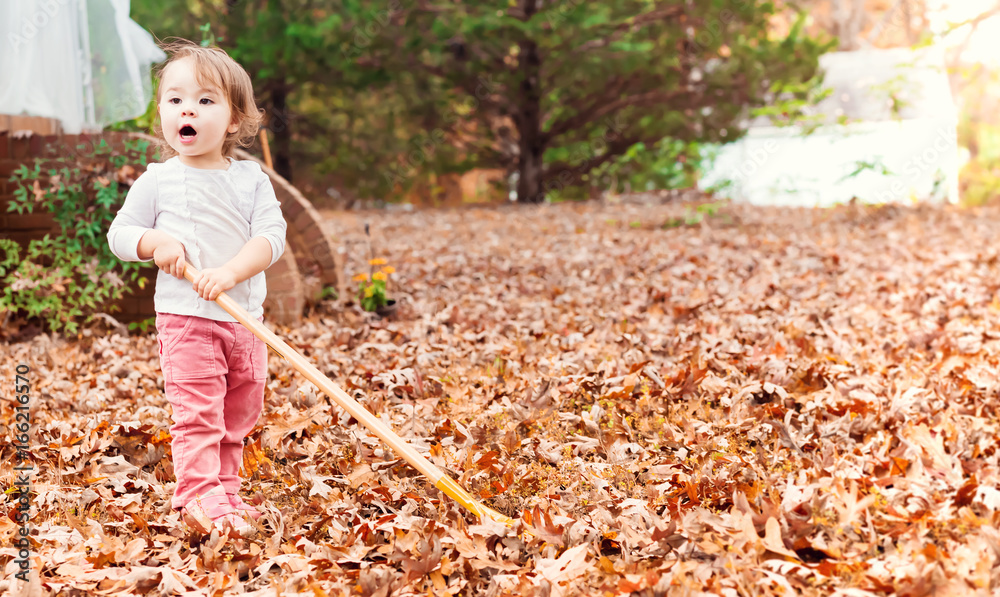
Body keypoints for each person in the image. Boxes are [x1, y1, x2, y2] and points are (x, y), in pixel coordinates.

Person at [107, 40, 286, 538]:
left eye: (206, 100)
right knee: (199, 413)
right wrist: (154, 240)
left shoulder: (251, 180)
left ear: (233, 120)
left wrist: (229, 274)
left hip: (244, 317)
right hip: (187, 320)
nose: (188, 108)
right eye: (175, 99)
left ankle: (225, 490)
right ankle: (196, 497)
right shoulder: (158, 180)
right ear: (163, 113)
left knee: (239, 413)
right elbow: (120, 235)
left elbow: (271, 239)